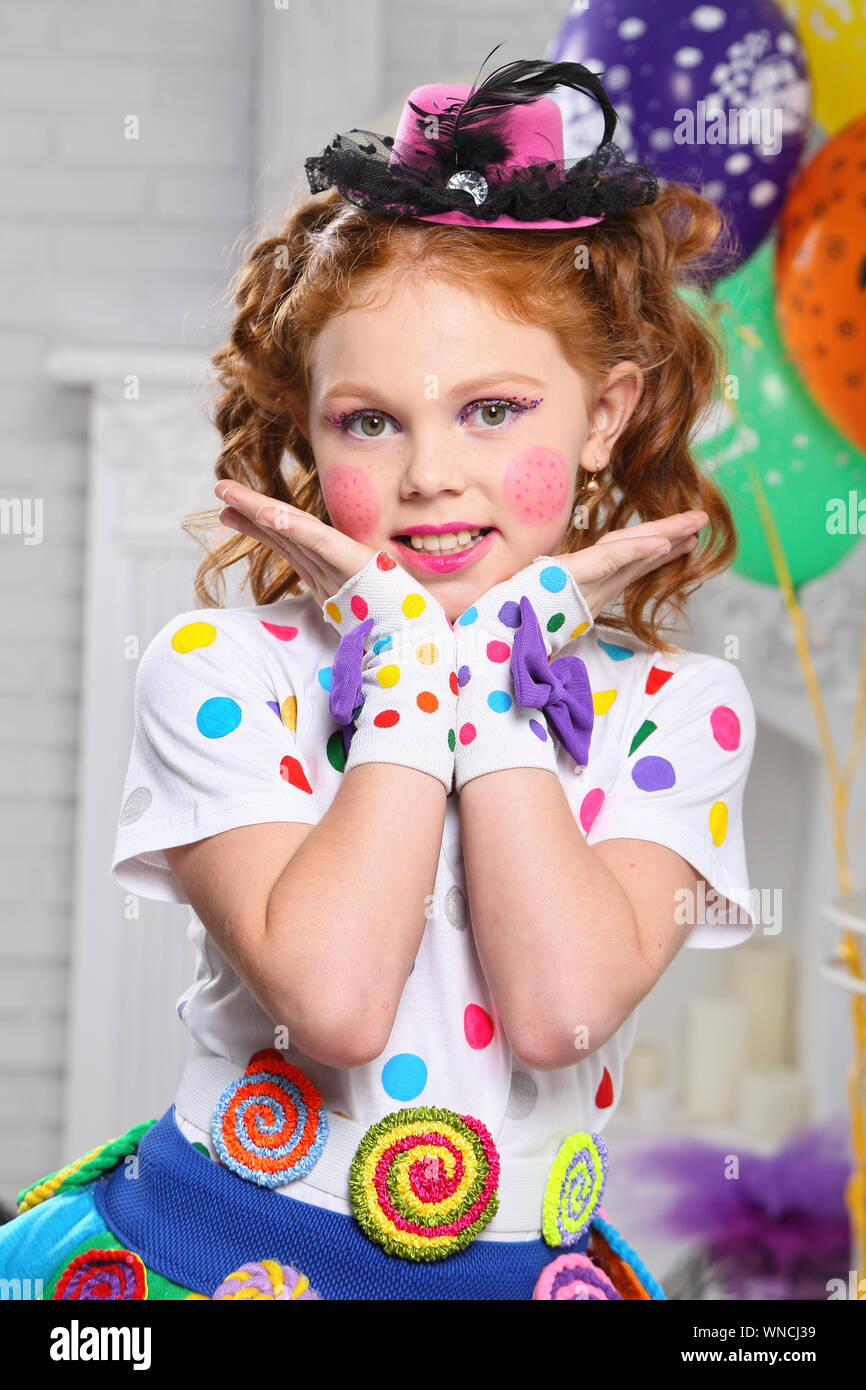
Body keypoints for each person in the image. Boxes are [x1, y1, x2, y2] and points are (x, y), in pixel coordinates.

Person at [0, 55, 757, 1302]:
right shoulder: (219, 670)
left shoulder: (679, 710)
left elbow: (560, 1012)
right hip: (212, 1258)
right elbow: (338, 1006)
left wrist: (505, 669)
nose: (429, 474)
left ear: (605, 415)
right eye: (368, 421)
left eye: (493, 410)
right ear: (306, 426)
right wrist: (409, 657)